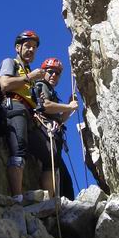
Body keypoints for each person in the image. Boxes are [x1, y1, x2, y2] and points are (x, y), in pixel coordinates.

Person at [0, 30, 45, 203]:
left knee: (46, 155)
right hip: (15, 107)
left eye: (34, 47)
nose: (31, 50)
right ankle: (16, 199)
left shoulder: (27, 72)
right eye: (27, 46)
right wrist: (29, 77)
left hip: (28, 114)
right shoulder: (10, 62)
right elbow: (4, 84)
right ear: (18, 47)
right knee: (18, 150)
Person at [29, 57, 78, 198]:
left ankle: (58, 205)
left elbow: (60, 120)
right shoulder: (41, 85)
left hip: (54, 133)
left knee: (65, 179)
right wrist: (69, 106)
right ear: (44, 72)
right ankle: (51, 202)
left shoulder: (51, 91)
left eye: (57, 73)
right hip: (45, 132)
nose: (53, 75)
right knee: (55, 168)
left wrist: (69, 107)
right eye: (50, 72)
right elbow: (46, 106)